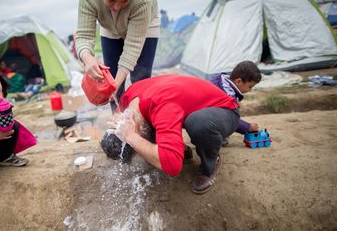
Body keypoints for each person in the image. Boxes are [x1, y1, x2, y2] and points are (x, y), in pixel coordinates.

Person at [100, 75, 240, 194]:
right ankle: (180, 149)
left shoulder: (162, 107)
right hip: (198, 104)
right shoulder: (128, 99)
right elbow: (122, 123)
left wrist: (132, 138)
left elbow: (173, 167)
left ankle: (210, 164)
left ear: (134, 127)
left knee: (198, 123)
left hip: (225, 112)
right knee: (149, 127)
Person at [76, 0, 160, 110]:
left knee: (140, 80)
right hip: (109, 26)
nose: (117, 7)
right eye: (111, 0)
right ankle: (117, 123)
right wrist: (87, 58)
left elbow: (133, 47)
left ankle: (142, 122)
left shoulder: (142, 0)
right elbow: (84, 35)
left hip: (145, 26)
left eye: (125, 1)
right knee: (112, 76)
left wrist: (114, 86)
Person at [210, 60, 262, 137]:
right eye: (250, 86)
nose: (250, 90)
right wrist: (248, 127)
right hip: (201, 122)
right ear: (238, 81)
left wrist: (235, 100)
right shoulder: (227, 97)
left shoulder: (220, 80)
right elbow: (230, 119)